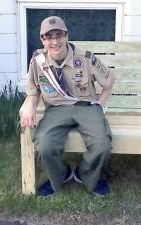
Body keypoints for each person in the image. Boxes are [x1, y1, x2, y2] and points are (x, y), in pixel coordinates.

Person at [20, 16, 116, 197]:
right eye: (48, 37)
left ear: (66, 36)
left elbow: (110, 79)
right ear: (42, 39)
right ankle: (61, 175)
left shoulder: (85, 58)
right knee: (45, 145)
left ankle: (85, 175)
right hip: (56, 110)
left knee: (102, 144)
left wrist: (100, 104)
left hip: (86, 107)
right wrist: (30, 106)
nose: (54, 41)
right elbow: (33, 91)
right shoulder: (38, 62)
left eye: (59, 35)